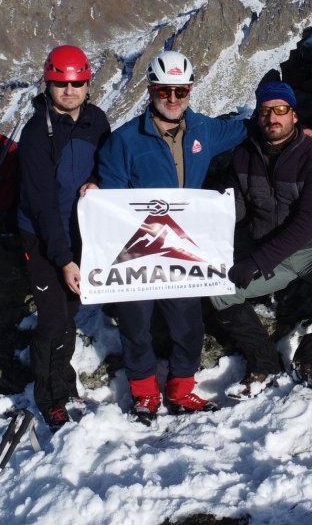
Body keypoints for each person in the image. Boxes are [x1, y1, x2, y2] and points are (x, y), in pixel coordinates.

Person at [94, 50, 245, 423]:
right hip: (138, 248)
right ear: (151, 91)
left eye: (181, 91)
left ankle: (180, 389)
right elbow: (110, 200)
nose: (173, 99)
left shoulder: (204, 130)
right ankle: (145, 394)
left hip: (181, 247)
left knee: (187, 323)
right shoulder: (125, 140)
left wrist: (294, 125)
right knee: (135, 323)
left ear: (191, 90)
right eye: (165, 91)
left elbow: (247, 127)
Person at [213, 80, 312, 397]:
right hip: (272, 254)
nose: (273, 118)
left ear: (294, 115)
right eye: (266, 111)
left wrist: (256, 261)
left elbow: (307, 223)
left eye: (281, 110)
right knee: (219, 290)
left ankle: (311, 358)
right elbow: (236, 208)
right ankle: (264, 363)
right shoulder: (244, 157)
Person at [13, 45, 109, 431]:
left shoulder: (97, 121)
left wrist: (98, 181)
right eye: (59, 83)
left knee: (69, 313)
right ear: (48, 83)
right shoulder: (37, 133)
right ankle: (46, 394)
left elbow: (107, 164)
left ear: (87, 83)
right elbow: (42, 204)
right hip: (41, 236)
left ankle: (63, 380)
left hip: (75, 232)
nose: (69, 91)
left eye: (76, 83)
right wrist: (65, 260)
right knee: (53, 319)